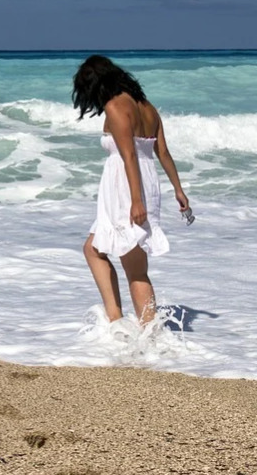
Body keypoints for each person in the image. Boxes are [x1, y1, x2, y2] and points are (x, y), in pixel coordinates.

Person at [72, 55, 190, 326]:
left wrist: (136, 201)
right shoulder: (148, 108)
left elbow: (129, 157)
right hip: (145, 182)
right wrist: (178, 189)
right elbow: (162, 152)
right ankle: (125, 324)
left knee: (133, 267)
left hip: (128, 188)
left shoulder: (116, 107)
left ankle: (142, 333)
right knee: (97, 250)